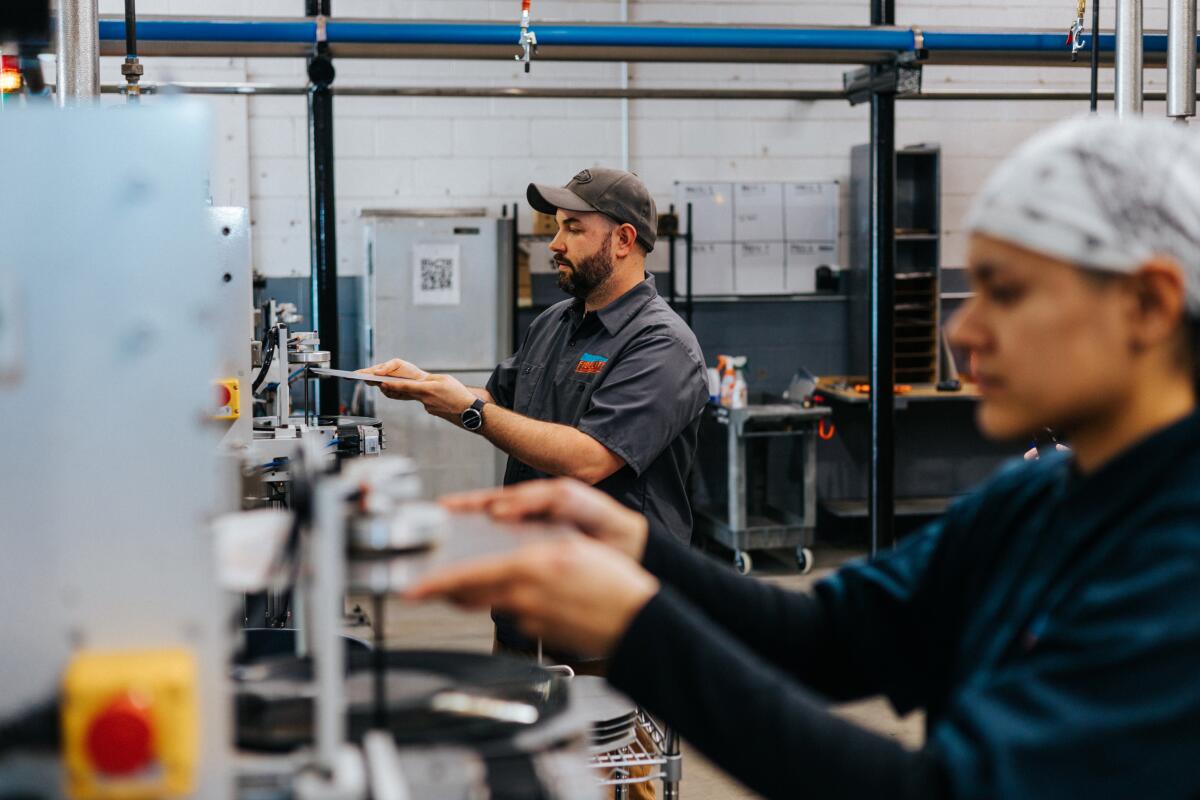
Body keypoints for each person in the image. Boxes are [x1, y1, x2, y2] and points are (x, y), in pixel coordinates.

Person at [405, 116, 1200, 799]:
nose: (962, 330)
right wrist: (635, 548)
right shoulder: (1040, 501)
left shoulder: (1175, 566)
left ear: (1147, 305)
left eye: (1008, 290)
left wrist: (637, 629)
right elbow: (827, 634)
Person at [363, 167, 709, 667]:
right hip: (526, 592)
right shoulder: (555, 323)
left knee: (604, 739)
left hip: (608, 607)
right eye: (556, 227)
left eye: (573, 228)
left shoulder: (661, 344)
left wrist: (470, 410)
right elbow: (495, 402)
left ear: (623, 240)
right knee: (519, 730)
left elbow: (591, 458)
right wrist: (426, 387)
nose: (555, 243)